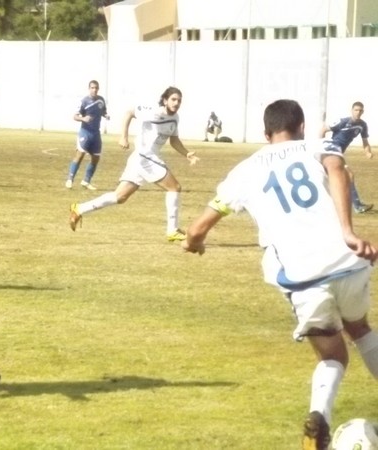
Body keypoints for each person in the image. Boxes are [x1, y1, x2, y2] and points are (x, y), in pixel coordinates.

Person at [181, 99, 378, 450]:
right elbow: (337, 170)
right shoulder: (317, 146)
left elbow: (198, 228)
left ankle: (319, 417)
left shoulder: (244, 171)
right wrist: (348, 231)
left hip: (303, 277)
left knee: (333, 355)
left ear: (265, 133)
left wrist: (193, 242)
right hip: (346, 262)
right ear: (300, 126)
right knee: (360, 330)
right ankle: (320, 421)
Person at [69, 86, 199, 242]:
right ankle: (172, 230)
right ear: (165, 100)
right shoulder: (153, 112)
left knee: (120, 197)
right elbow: (129, 113)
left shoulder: (175, 118)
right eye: (173, 99)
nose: (176, 103)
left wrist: (186, 153)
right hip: (145, 157)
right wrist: (123, 136)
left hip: (140, 159)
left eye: (179, 100)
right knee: (174, 187)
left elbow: (174, 139)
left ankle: (79, 209)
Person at [320, 101, 373, 213]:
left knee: (332, 177)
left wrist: (368, 152)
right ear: (352, 110)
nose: (358, 112)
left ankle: (353, 205)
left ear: (363, 112)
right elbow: (323, 129)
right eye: (356, 110)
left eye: (360, 110)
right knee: (348, 175)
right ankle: (357, 206)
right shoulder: (343, 122)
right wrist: (320, 145)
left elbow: (365, 141)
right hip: (332, 149)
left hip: (338, 152)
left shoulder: (362, 125)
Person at [65, 80, 110, 190]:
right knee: (80, 155)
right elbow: (75, 116)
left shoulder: (101, 100)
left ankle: (86, 181)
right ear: (89, 88)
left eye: (96, 88)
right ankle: (70, 179)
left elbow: (103, 111)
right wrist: (83, 118)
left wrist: (106, 115)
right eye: (92, 88)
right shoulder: (84, 101)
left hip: (96, 133)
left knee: (96, 158)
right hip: (85, 132)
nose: (94, 90)